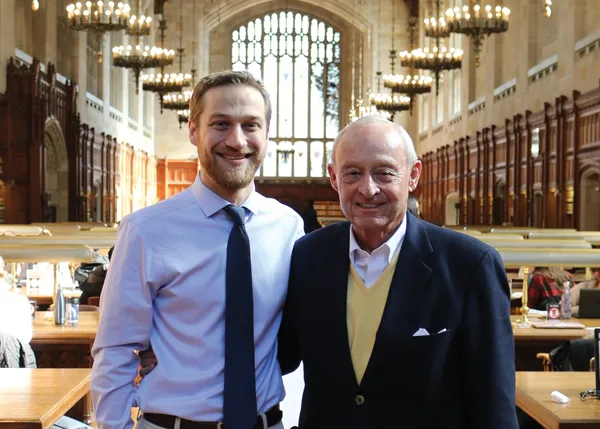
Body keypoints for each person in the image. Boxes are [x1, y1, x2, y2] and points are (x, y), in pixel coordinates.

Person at [91, 70, 304, 429]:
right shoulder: (146, 230)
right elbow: (115, 350)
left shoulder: (289, 228)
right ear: (193, 130)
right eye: (221, 124)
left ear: (267, 133)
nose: (237, 141)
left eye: (251, 125)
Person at [277, 116, 518, 428]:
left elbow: (493, 403)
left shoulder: (469, 265)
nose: (368, 188)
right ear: (334, 178)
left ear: (413, 175)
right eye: (353, 173)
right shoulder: (308, 256)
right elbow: (281, 353)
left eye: (384, 172)